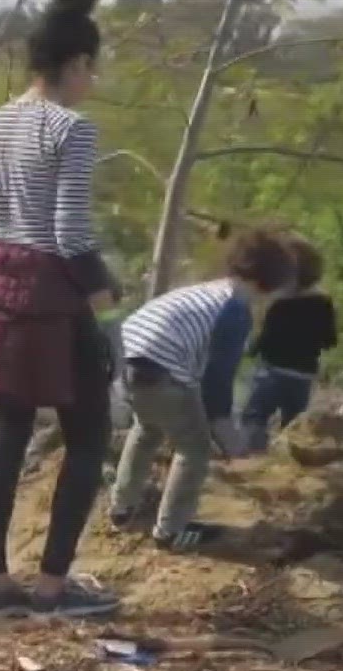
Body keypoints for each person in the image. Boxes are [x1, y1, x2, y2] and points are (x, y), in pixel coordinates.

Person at [0, 0, 120, 619]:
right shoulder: (73, 129)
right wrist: (108, 304)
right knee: (89, 438)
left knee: (8, 437)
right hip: (50, 300)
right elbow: (69, 234)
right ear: (75, 66)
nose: (93, 80)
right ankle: (51, 588)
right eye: (93, 67)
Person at [109, 230, 296, 551]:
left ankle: (121, 509)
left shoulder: (206, 292)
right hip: (158, 369)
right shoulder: (235, 311)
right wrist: (226, 435)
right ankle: (171, 531)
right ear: (269, 281)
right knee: (194, 448)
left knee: (147, 428)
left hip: (124, 361)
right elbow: (217, 382)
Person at [240, 236, 337, 453]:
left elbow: (265, 340)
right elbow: (330, 340)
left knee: (254, 416)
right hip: (303, 375)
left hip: (273, 372)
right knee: (294, 423)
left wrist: (249, 349)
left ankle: (251, 459)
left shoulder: (280, 305)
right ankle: (288, 463)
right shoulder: (323, 303)